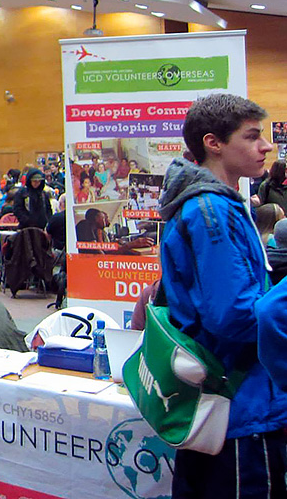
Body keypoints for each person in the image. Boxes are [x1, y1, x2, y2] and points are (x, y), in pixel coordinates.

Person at [159, 92, 287, 498]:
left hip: (226, 401)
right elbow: (234, 315)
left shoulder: (212, 204)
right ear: (213, 143)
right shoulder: (210, 210)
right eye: (251, 136)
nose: (265, 146)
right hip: (239, 408)